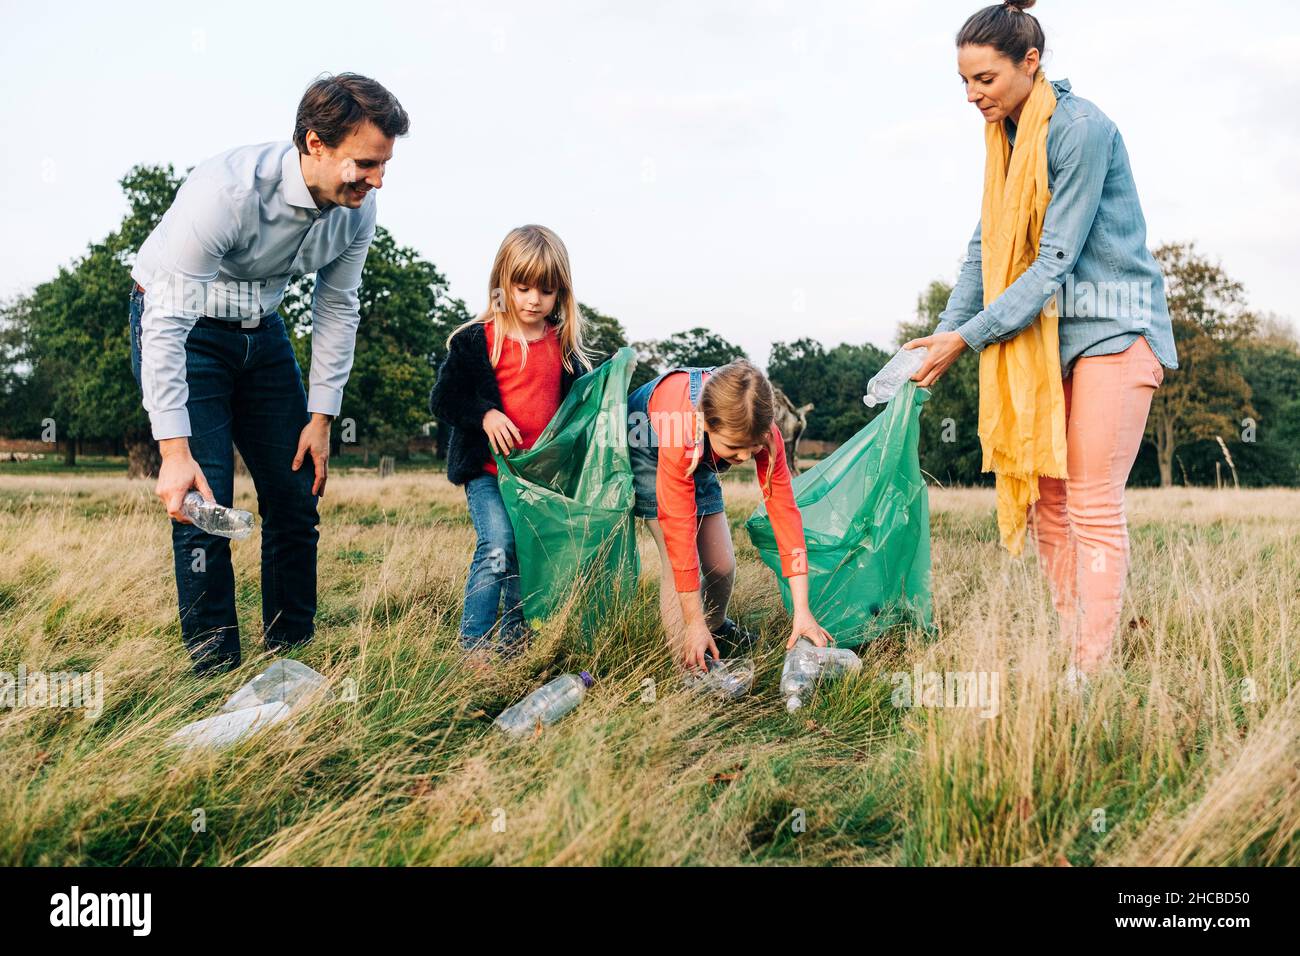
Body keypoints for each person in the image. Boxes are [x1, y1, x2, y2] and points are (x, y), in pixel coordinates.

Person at [902, 1, 1178, 686]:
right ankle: (1074, 647)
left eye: (985, 79)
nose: (973, 96)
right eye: (964, 82)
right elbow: (984, 244)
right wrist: (946, 327)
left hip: (1115, 331)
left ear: (1031, 63)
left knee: (1089, 502)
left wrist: (965, 342)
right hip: (1052, 340)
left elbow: (1053, 259)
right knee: (1048, 505)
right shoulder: (1006, 135)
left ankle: (1091, 669)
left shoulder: (1080, 130)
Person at [128, 73, 410, 674]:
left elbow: (337, 305)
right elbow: (167, 322)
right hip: (185, 328)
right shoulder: (226, 193)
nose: (378, 180)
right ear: (315, 144)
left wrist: (321, 416)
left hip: (262, 331)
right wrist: (174, 452)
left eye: (385, 165)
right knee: (206, 503)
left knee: (295, 493)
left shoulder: (358, 210)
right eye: (366, 163)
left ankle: (290, 658)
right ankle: (214, 669)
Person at [428, 225, 595, 660]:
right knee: (498, 543)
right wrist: (484, 413)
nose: (532, 300)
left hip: (537, 481)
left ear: (561, 293)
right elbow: (444, 399)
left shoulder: (565, 351)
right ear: (502, 283)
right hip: (488, 473)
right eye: (522, 288)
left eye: (546, 290)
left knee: (526, 557)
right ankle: (474, 651)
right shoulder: (475, 340)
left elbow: (581, 412)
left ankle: (514, 652)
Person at [626, 359, 832, 672]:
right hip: (651, 443)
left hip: (702, 448)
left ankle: (717, 628)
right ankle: (688, 664)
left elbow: (786, 517)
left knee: (721, 564)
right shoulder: (682, 429)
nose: (745, 458)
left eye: (752, 448)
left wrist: (802, 610)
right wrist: (693, 620)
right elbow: (679, 531)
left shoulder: (757, 431)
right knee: (677, 561)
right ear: (708, 424)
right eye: (736, 450)